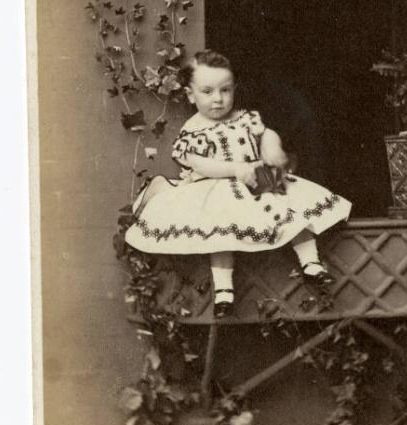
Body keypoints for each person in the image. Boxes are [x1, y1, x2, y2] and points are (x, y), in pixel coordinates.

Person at [125, 49, 351, 318]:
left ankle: (311, 263)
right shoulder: (193, 129)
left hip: (256, 178)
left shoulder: (247, 118)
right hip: (215, 186)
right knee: (220, 231)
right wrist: (234, 168)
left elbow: (266, 136)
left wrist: (271, 145)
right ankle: (223, 291)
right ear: (190, 94)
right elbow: (198, 163)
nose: (218, 99)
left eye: (225, 90)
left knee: (291, 203)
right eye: (207, 92)